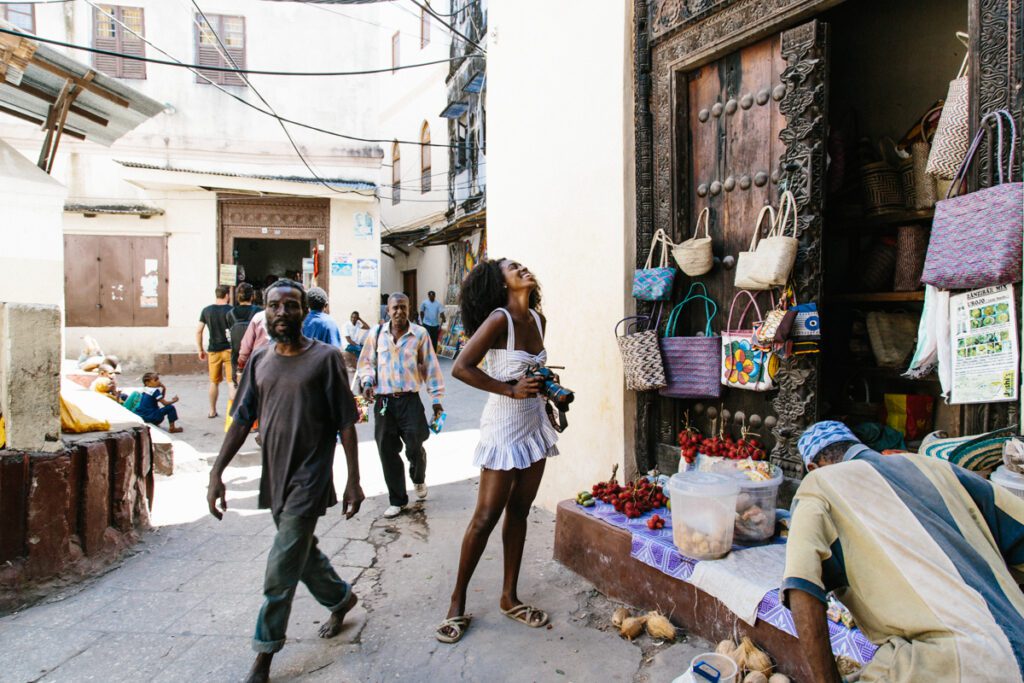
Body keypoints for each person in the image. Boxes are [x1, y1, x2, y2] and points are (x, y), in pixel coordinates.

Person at [206, 279, 364, 683]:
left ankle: (264, 652)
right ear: (264, 312)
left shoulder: (326, 359)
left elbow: (346, 422)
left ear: (303, 312)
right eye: (274, 306)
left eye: (290, 306)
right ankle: (341, 598)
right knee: (299, 551)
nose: (281, 313)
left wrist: (353, 480)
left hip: (311, 476)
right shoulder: (259, 360)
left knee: (281, 564)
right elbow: (242, 419)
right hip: (275, 473)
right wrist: (216, 472)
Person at [784, 420, 1024, 683]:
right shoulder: (936, 467)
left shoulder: (819, 484)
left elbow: (801, 587)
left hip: (952, 663)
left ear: (812, 466)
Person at [435, 259, 558, 644]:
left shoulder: (538, 320)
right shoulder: (499, 321)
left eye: (522, 265)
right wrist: (509, 388)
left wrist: (547, 387)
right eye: (511, 267)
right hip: (504, 428)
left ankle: (509, 597)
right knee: (485, 516)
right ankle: (457, 603)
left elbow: (534, 372)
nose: (521, 268)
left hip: (535, 424)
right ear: (498, 282)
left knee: (519, 511)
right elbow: (461, 367)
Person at [357, 292, 444, 519]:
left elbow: (431, 368)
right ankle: (397, 499)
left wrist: (436, 402)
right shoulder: (376, 334)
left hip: (410, 400)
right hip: (384, 402)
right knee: (387, 451)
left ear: (409, 309)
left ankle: (418, 476)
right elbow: (365, 363)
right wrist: (367, 381)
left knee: (416, 443)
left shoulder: (420, 334)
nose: (399, 312)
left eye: (403, 308)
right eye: (395, 308)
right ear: (388, 310)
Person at [197, 285, 234, 418]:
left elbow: (199, 330)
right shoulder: (231, 310)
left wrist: (200, 349)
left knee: (214, 382)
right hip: (229, 350)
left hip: (213, 350)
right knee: (231, 382)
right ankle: (233, 414)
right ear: (227, 295)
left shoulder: (206, 311)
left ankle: (212, 410)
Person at [228, 283, 262, 383]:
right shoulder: (259, 312)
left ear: (237, 297)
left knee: (238, 385)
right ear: (252, 296)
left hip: (237, 355)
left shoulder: (230, 314)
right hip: (255, 355)